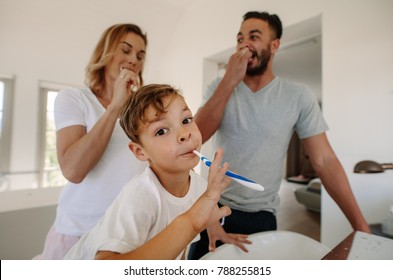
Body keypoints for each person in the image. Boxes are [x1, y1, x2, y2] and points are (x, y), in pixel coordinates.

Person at [188, 11, 371, 259]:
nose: (244, 44)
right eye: (240, 38)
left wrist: (360, 225)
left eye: (254, 36)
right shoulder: (219, 87)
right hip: (213, 208)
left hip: (262, 215)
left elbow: (325, 160)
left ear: (274, 45)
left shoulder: (298, 96)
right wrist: (229, 80)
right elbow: (195, 137)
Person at [64, 84, 250, 260]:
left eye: (186, 120)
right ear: (140, 151)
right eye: (161, 131)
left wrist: (215, 229)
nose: (184, 133)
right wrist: (192, 222)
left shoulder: (200, 188)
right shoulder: (140, 196)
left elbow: (179, 248)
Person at [35, 24, 149, 259]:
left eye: (140, 55)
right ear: (105, 53)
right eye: (126, 50)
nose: (134, 60)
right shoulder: (74, 99)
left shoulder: (141, 112)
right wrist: (115, 106)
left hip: (123, 235)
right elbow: (73, 170)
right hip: (76, 232)